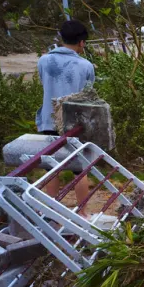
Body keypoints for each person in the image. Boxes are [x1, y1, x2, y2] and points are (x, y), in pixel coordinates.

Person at [36, 20, 95, 208]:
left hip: (49, 120)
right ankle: (82, 212)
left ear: (61, 38)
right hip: (74, 123)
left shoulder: (44, 60)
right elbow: (88, 93)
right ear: (82, 42)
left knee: (51, 167)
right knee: (80, 169)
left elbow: (43, 84)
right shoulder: (85, 65)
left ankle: (53, 212)